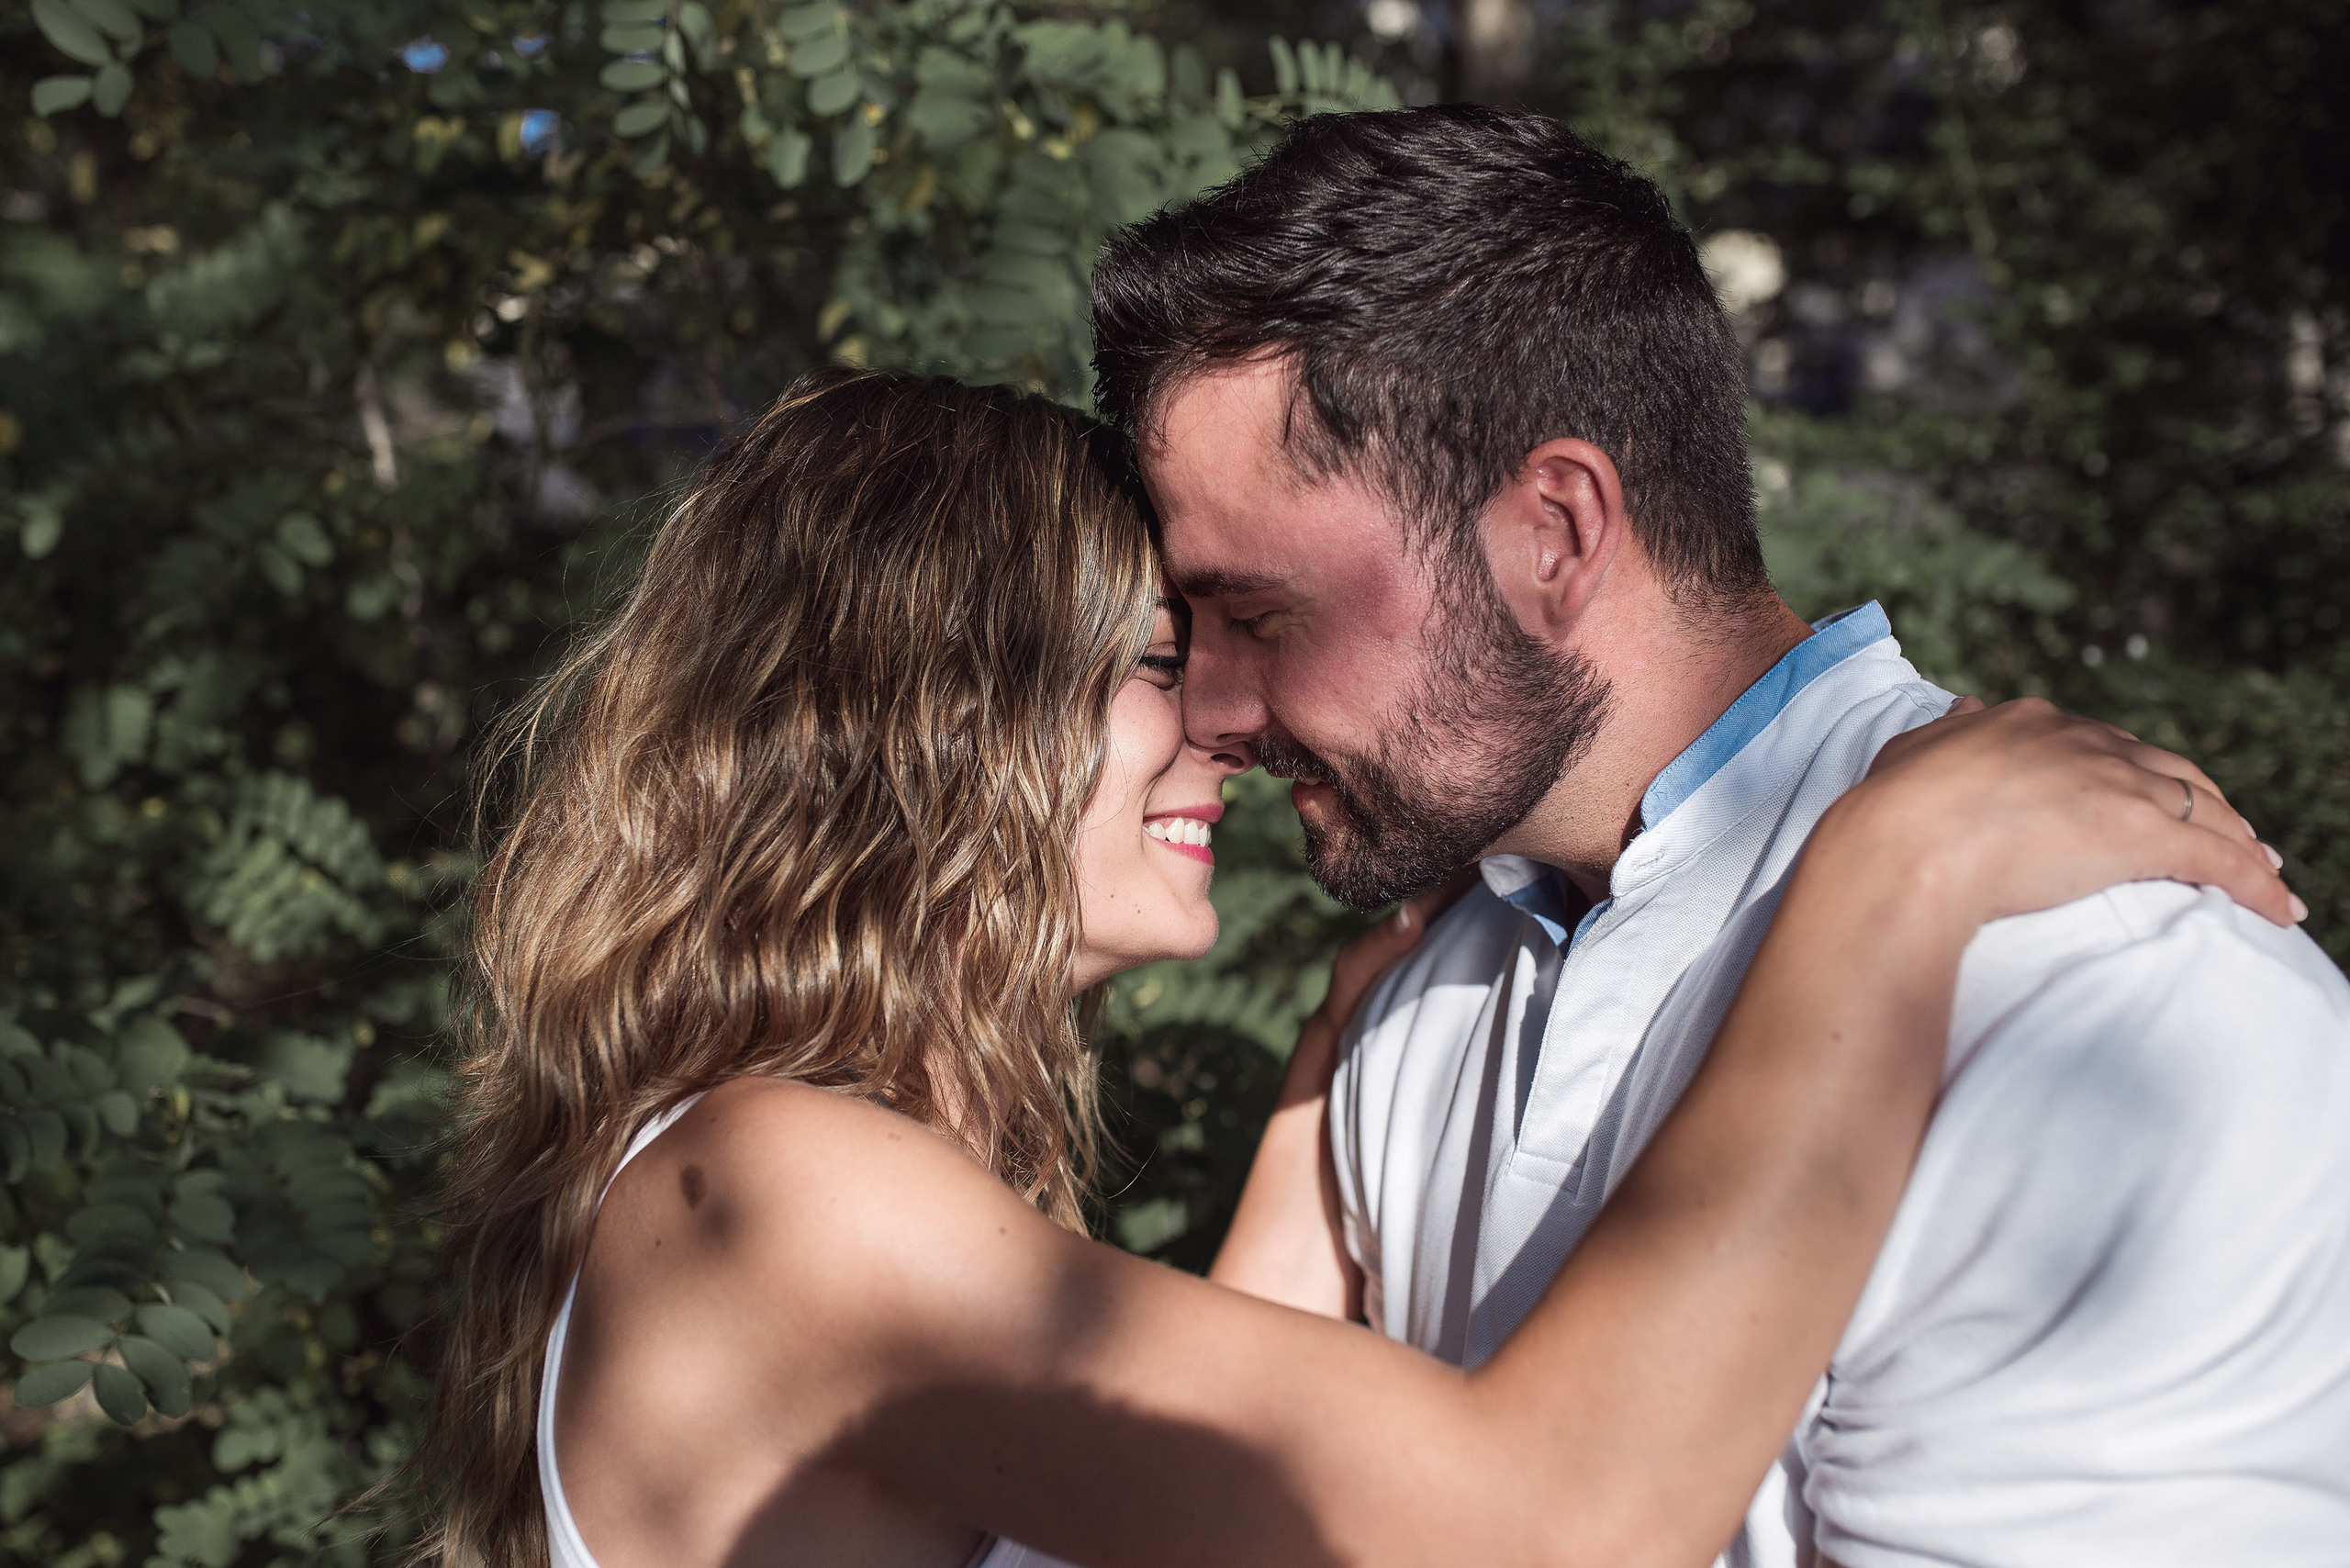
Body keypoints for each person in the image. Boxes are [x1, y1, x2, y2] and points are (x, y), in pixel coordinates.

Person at [420, 368, 2292, 1568]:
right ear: (935, 721)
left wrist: (1339, 1064)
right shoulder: (768, 1190)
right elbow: (1537, 1526)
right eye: (1164, 656)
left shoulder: (779, 1188)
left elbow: (1250, 1469)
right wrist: (1890, 868)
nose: (1225, 722)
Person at [1087, 103, 2350, 1567]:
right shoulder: (1418, 1004)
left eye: (1262, 612)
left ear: (1551, 533)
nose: (1219, 709)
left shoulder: (2103, 999)